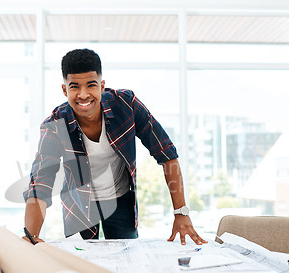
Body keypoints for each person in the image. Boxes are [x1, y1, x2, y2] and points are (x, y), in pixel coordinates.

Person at [23, 48, 206, 246]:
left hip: (120, 201)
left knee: (126, 259)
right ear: (65, 90)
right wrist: (31, 236)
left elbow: (167, 154)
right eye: (75, 87)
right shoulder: (55, 125)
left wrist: (181, 213)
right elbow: (40, 184)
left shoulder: (127, 106)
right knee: (81, 263)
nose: (83, 95)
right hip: (77, 207)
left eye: (91, 85)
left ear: (102, 86)